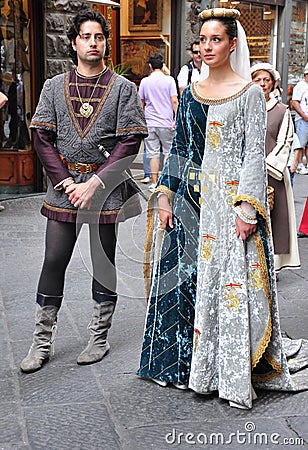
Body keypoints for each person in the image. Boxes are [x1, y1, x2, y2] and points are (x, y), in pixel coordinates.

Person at [137, 8, 308, 409]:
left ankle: (224, 370)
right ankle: (189, 367)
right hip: (192, 205)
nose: (208, 46)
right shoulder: (193, 93)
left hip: (231, 204)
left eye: (217, 39)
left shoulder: (249, 92)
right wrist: (165, 195)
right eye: (203, 40)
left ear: (233, 44)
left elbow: (253, 153)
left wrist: (247, 209)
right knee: (186, 283)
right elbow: (180, 148)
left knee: (228, 286)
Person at [20, 9, 147, 373]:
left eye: (100, 37)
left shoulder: (124, 89)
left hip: (104, 189)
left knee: (102, 262)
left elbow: (130, 141)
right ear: (73, 42)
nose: (94, 43)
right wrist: (65, 182)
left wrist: (95, 182)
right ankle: (41, 342)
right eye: (86, 37)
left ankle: (99, 337)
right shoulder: (53, 87)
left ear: (105, 42)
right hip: (64, 188)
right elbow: (42, 137)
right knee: (54, 260)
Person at [251, 62, 300, 274]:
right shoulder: (246, 107)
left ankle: (273, 265)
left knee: (275, 219)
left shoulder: (281, 110)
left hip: (272, 173)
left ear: (273, 83)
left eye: (266, 80)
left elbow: (285, 141)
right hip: (248, 171)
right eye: (258, 80)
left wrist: (266, 166)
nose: (262, 84)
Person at [138, 53, 178, 192]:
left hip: (150, 122)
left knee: (153, 153)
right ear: (162, 65)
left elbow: (141, 102)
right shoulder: (169, 80)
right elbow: (174, 100)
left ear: (150, 66)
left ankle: (154, 183)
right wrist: (176, 118)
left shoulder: (144, 82)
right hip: (166, 122)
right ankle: (166, 183)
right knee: (168, 151)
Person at [291, 63, 308, 175]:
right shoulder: (300, 86)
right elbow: (294, 102)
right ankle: (299, 164)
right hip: (303, 119)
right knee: (301, 144)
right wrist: (303, 115)